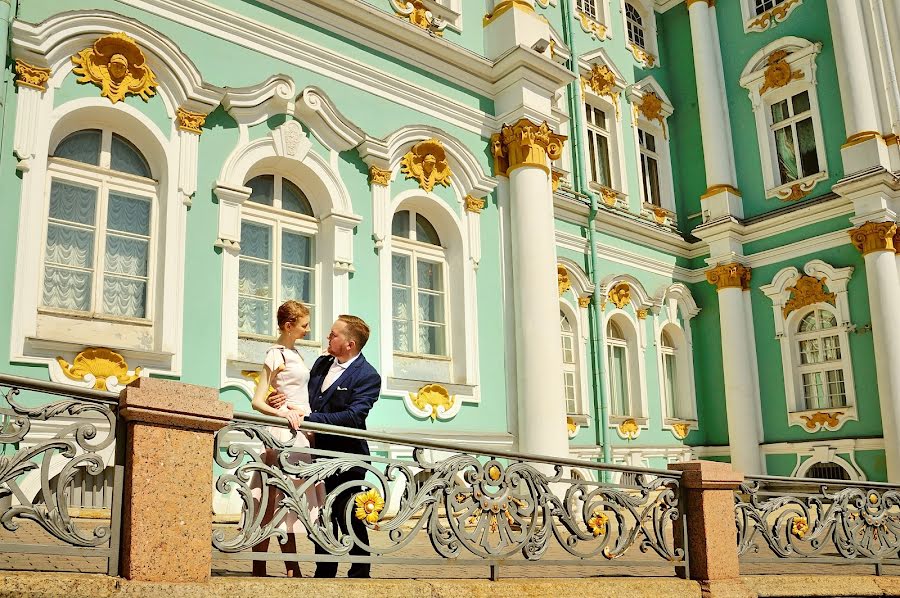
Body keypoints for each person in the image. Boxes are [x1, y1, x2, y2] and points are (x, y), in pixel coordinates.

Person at [268, 314, 380, 578]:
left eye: (334, 334)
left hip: (348, 456)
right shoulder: (321, 363)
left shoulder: (368, 376)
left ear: (350, 344)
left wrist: (309, 419)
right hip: (313, 452)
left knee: (346, 510)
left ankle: (360, 569)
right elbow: (302, 396)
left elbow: (354, 417)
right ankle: (325, 570)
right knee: (320, 514)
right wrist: (280, 399)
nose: (328, 337)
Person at [248, 300, 318, 578]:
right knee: (272, 500)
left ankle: (292, 566)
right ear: (288, 326)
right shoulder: (276, 354)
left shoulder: (296, 354)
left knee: (290, 501)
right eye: (303, 325)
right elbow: (256, 401)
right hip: (283, 433)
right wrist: (283, 411)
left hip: (300, 435)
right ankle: (260, 566)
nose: (308, 329)